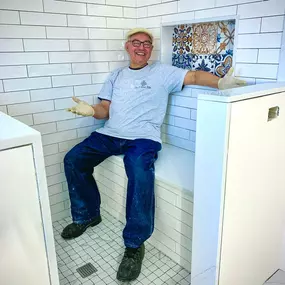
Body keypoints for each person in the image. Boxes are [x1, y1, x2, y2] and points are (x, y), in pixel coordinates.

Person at [62, 27, 246, 282]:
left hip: (143, 139)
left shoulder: (163, 72)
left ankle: (135, 244)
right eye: (135, 42)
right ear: (127, 47)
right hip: (110, 134)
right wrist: (90, 111)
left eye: (146, 43)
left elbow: (192, 76)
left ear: (151, 49)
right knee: (73, 160)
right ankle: (87, 215)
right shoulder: (115, 76)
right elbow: (105, 109)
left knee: (139, 172)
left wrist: (220, 83)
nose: (141, 46)